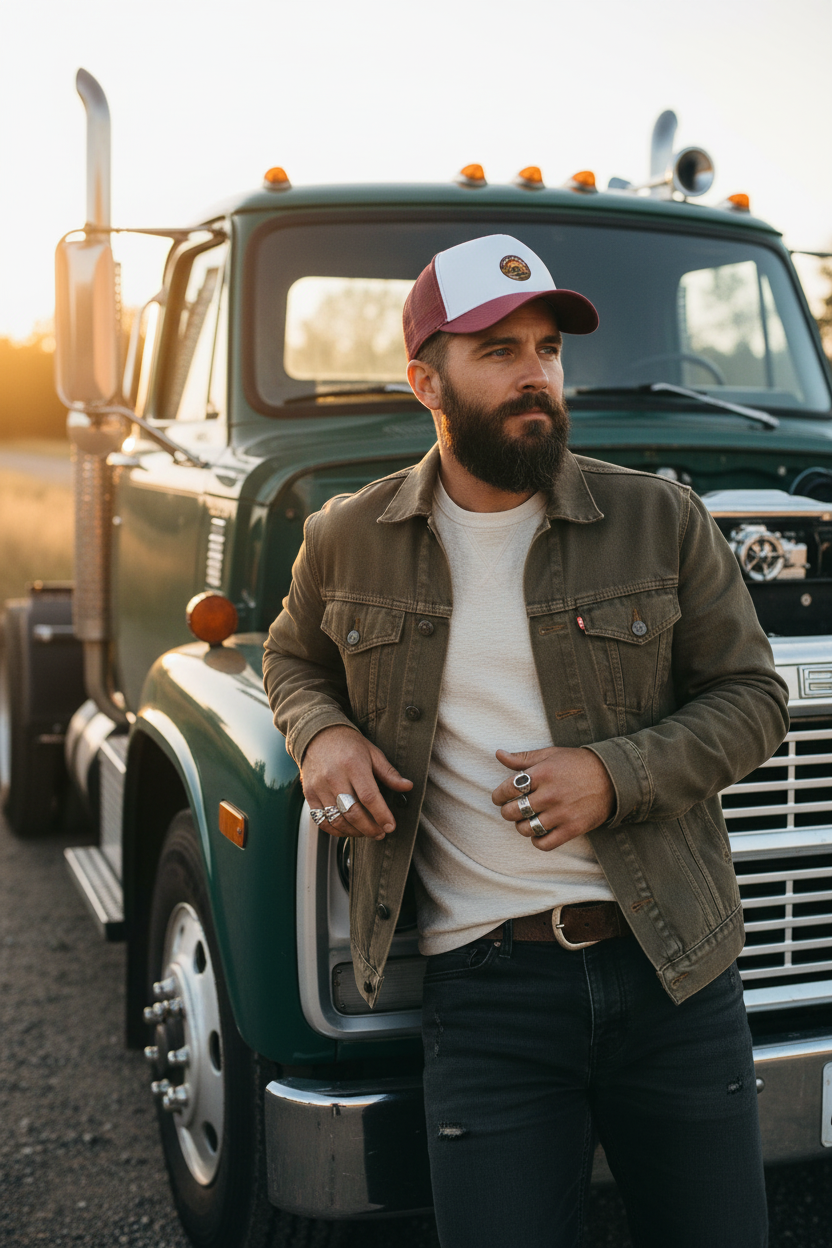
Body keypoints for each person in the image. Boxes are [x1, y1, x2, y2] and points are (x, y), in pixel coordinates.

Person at [263, 234, 789, 1248]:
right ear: (427, 383)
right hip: (486, 996)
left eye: (547, 348)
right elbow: (292, 659)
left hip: (674, 972)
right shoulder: (345, 538)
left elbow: (752, 698)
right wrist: (319, 732)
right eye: (497, 351)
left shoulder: (660, 520)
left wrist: (612, 775)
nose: (535, 375)